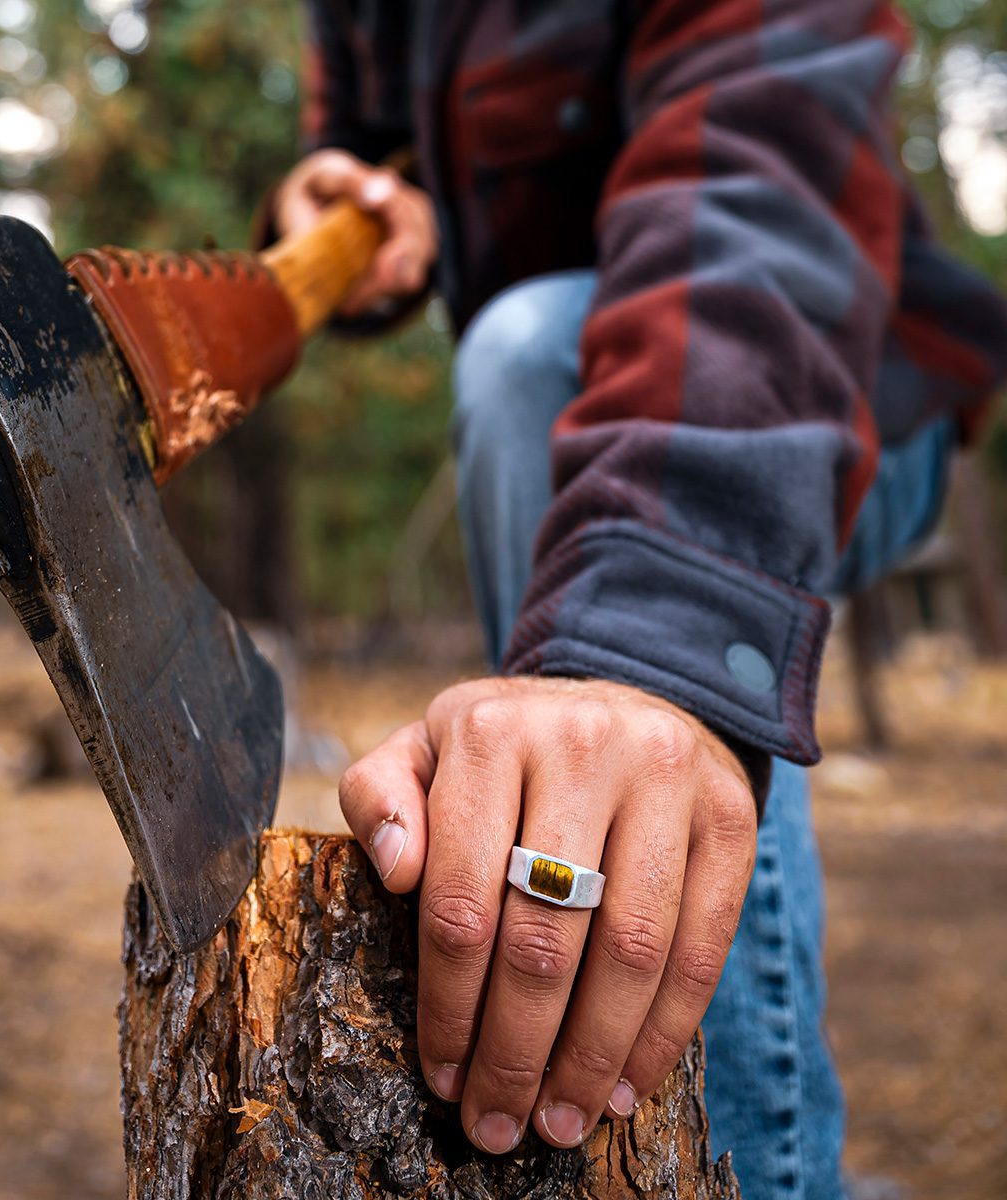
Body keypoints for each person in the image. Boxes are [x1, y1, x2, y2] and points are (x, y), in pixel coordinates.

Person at [269, 3, 1007, 1196]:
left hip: (824, 389)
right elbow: (361, 126)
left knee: (530, 359)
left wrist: (653, 652)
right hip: (588, 423)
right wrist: (343, 190)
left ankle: (756, 1168)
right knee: (530, 365)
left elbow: (758, 197)